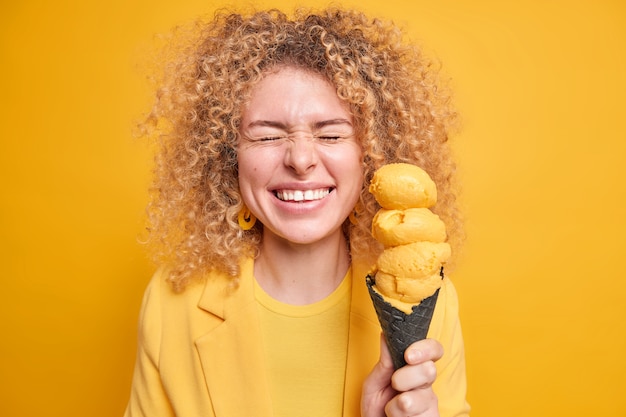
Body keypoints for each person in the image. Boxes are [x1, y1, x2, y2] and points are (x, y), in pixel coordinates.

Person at [125, 7, 469, 417]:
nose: (301, 160)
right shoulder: (172, 301)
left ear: (371, 156)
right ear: (227, 157)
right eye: (268, 134)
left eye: (331, 133)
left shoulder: (429, 299)